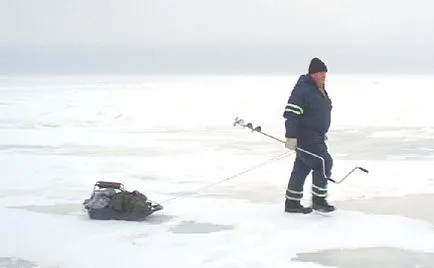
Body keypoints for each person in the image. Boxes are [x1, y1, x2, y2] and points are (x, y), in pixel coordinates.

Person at [282, 57, 335, 214]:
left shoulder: (319, 89)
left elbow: (318, 112)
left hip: (315, 135)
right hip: (306, 135)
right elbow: (291, 113)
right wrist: (291, 136)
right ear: (313, 74)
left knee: (302, 166)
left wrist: (321, 131)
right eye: (321, 74)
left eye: (325, 74)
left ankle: (292, 202)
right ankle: (319, 200)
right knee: (323, 162)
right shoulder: (303, 89)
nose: (324, 77)